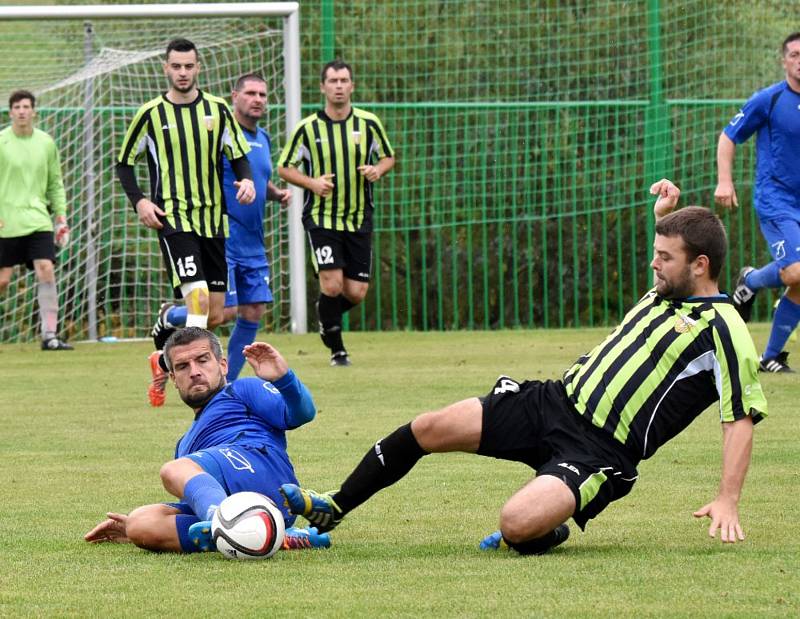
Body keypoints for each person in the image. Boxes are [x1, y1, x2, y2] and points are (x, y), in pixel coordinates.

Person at [280, 179, 768, 555]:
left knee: (515, 524)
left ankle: (544, 529)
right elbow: (673, 249)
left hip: (600, 451)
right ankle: (335, 507)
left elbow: (739, 419)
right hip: (551, 401)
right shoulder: (667, 288)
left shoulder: (726, 330)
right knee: (429, 427)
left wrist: (727, 498)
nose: (653, 265)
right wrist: (663, 216)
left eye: (664, 257)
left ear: (700, 265)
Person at [84, 327, 330, 553]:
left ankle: (218, 523)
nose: (194, 372)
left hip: (260, 469)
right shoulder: (185, 444)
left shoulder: (242, 390)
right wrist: (135, 529)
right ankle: (277, 536)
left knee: (175, 469)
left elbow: (302, 414)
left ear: (223, 365)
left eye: (202, 360)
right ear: (173, 378)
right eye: (182, 367)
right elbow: (198, 495)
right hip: (247, 507)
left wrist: (284, 379)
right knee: (140, 523)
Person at [115, 37, 256, 407]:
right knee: (198, 298)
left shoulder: (218, 110)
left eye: (188, 66)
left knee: (217, 312)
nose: (182, 72)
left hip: (212, 221)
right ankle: (204, 388)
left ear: (198, 67)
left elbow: (238, 154)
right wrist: (140, 201)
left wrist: (246, 180)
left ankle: (163, 350)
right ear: (166, 68)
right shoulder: (150, 114)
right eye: (176, 66)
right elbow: (123, 163)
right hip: (173, 220)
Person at [152, 73, 291, 383]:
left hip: (253, 240)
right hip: (223, 234)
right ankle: (171, 316)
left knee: (253, 310)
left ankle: (227, 385)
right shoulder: (217, 134)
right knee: (220, 315)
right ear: (234, 97)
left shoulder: (264, 138)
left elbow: (256, 176)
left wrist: (276, 193)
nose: (258, 99)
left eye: (263, 95)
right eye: (251, 93)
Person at [278, 60, 395, 366]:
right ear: (323, 87)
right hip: (322, 218)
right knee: (332, 285)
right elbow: (285, 167)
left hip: (358, 217)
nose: (339, 86)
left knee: (356, 292)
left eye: (344, 80)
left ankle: (324, 314)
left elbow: (388, 157)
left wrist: (376, 170)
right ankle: (338, 350)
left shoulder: (368, 123)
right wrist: (312, 183)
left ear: (352, 86)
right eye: (333, 81)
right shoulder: (307, 128)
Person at [714, 31, 800, 373]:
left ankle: (771, 357)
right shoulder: (769, 99)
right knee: (795, 271)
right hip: (776, 199)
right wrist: (725, 180)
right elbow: (728, 136)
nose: (799, 59)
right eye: (794, 54)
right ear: (784, 61)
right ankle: (750, 282)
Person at [0, 89, 72, 350]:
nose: (21, 111)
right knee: (3, 280)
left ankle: (49, 336)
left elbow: (55, 183)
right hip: (6, 222)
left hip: (39, 221)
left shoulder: (46, 142)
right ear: (10, 112)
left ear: (34, 111)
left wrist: (60, 216)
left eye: (26, 106)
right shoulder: (2, 142)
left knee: (46, 270)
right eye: (17, 106)